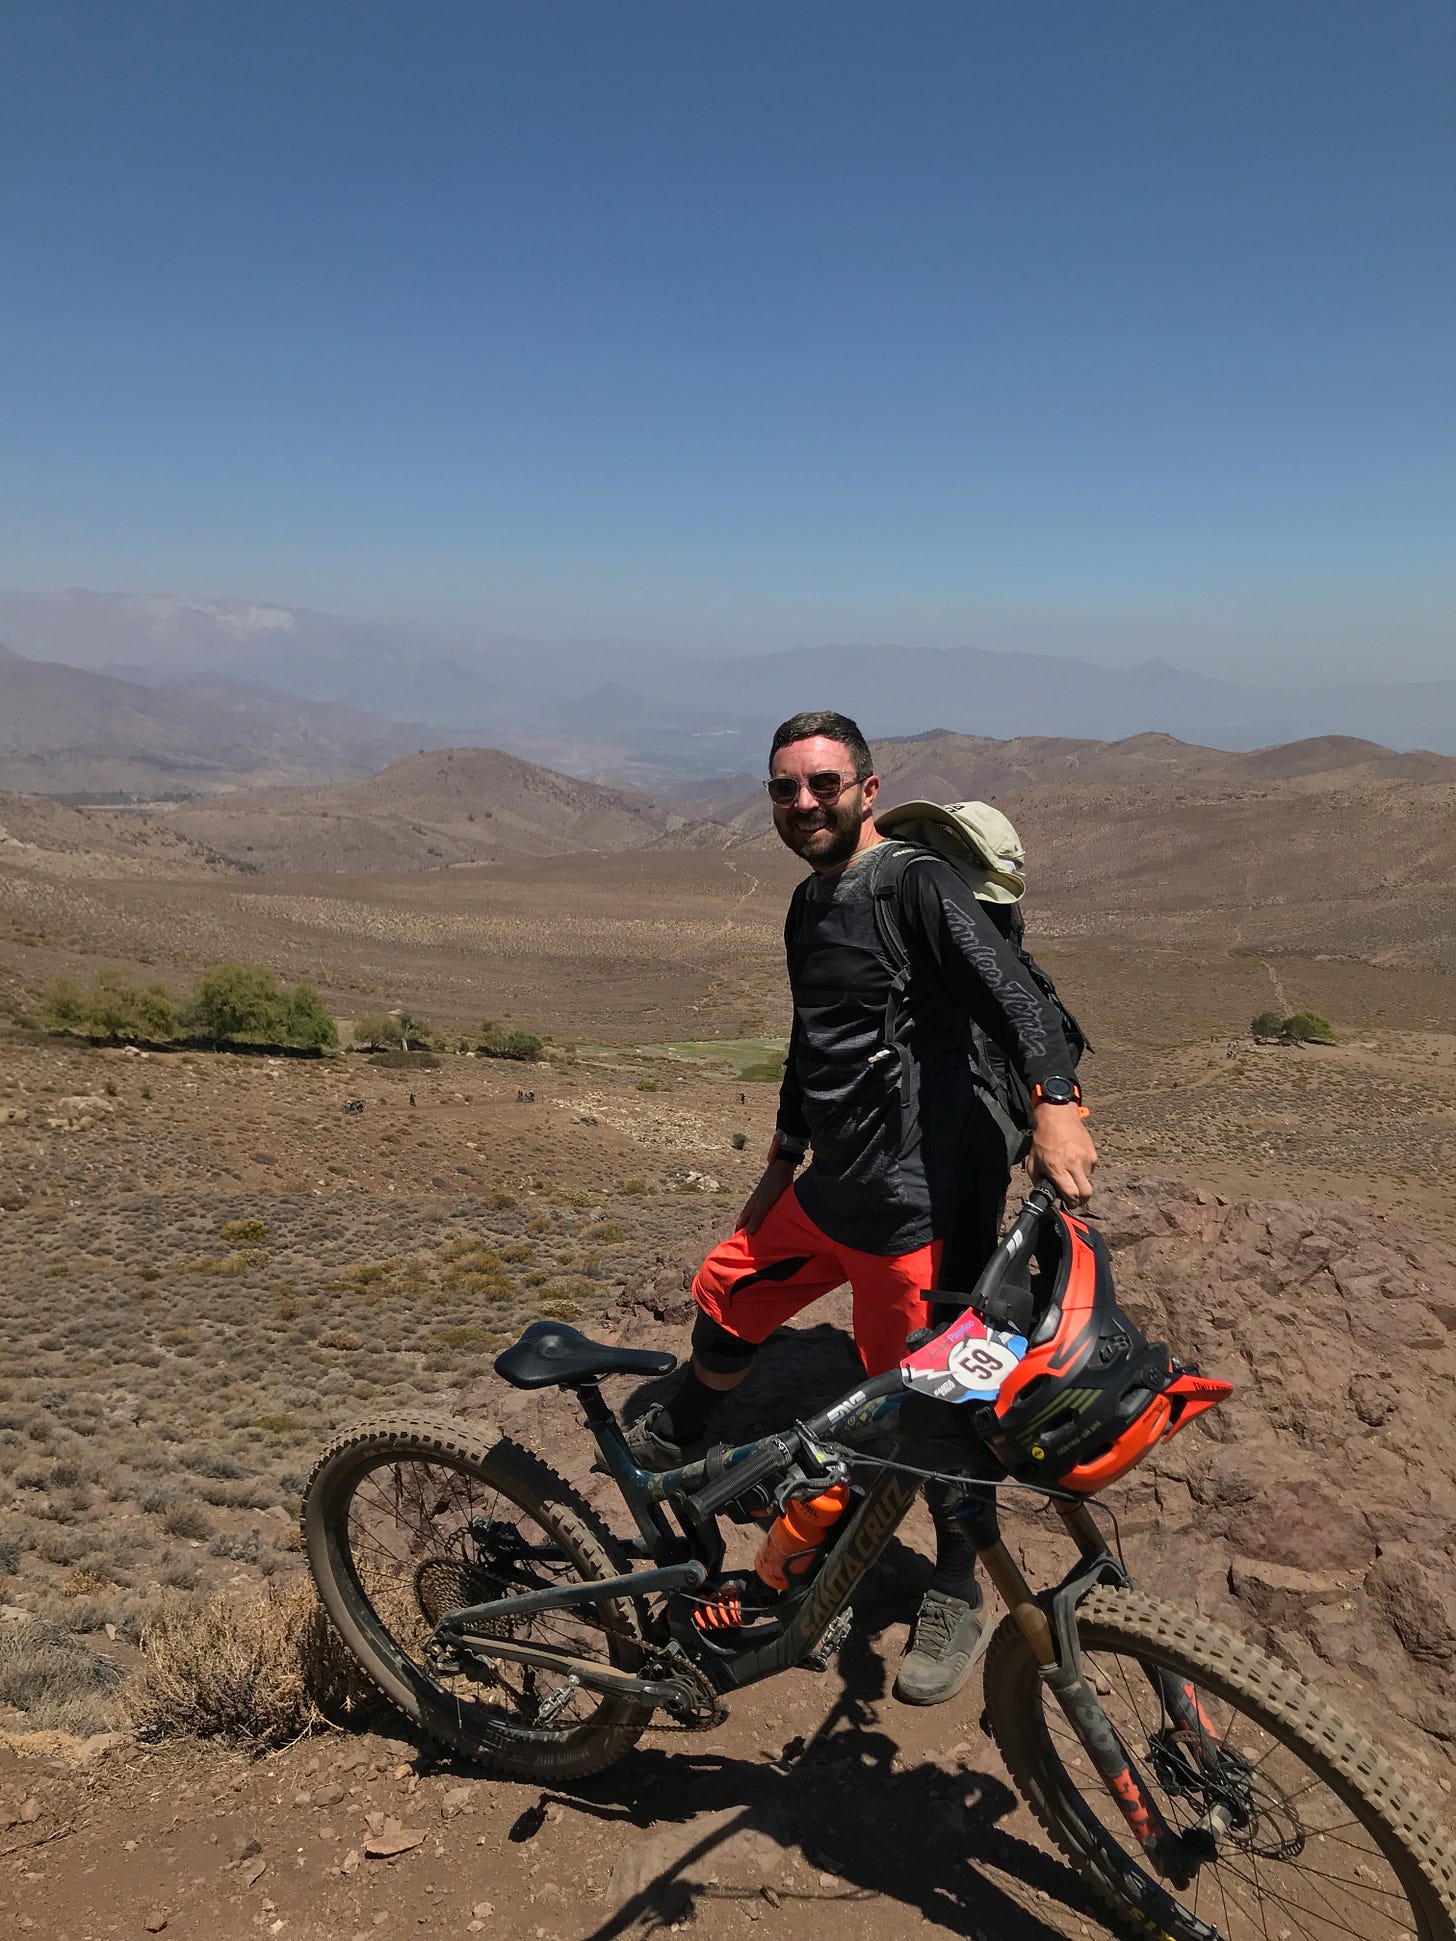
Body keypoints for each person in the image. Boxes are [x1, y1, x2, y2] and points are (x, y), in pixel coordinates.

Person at [626, 710, 1097, 1704]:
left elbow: (1011, 991)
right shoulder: (809, 903)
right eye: (784, 789)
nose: (803, 804)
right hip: (831, 1188)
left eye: (823, 785)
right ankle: (689, 1425)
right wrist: (779, 1161)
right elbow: (815, 1042)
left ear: (867, 790)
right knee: (727, 1288)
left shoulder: (913, 883)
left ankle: (957, 1588)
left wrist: (1056, 1106)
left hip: (913, 1216)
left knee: (934, 1416)